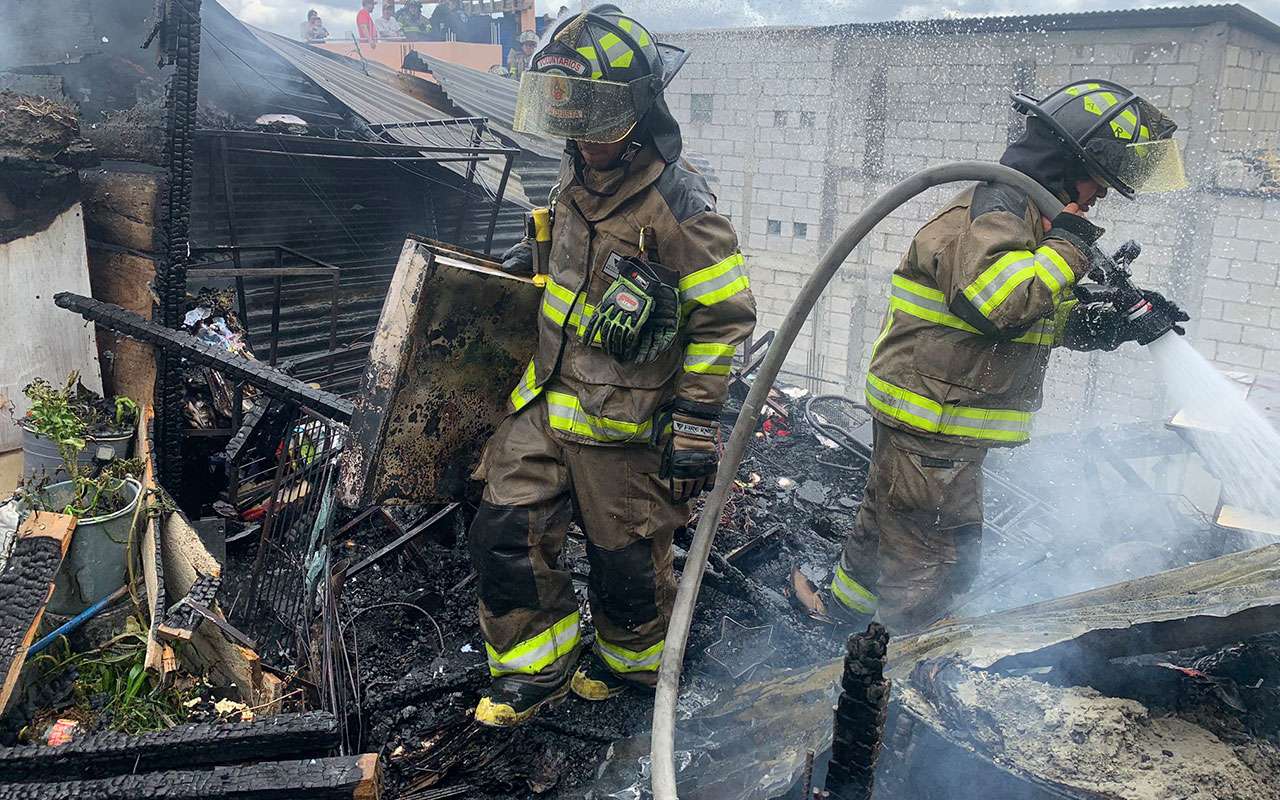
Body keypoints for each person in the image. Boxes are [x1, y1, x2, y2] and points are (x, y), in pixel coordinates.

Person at [467, 4, 756, 727]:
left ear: (640, 112)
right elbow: (576, 276)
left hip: (626, 425)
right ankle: (536, 667)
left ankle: (631, 666)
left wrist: (695, 421)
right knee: (503, 529)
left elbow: (724, 319)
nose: (584, 139)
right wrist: (527, 262)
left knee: (625, 564)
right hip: (546, 402)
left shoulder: (681, 206)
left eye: (598, 121)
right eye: (573, 118)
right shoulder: (573, 176)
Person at [828, 79, 1190, 635]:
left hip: (925, 411)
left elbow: (1022, 318)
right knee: (932, 563)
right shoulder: (999, 209)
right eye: (1100, 181)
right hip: (936, 423)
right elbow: (998, 302)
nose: (1100, 197)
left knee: (886, 528)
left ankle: (838, 628)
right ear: (1069, 163)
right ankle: (895, 678)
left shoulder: (1013, 209)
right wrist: (1070, 246)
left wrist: (1109, 324)